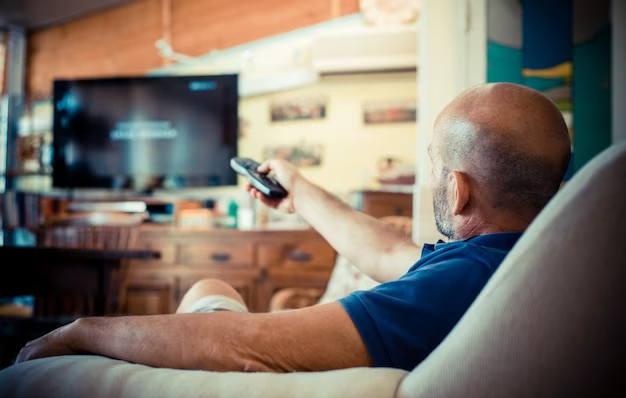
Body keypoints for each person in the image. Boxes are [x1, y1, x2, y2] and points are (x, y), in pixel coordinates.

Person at [15, 82, 571, 373]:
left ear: (456, 189)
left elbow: (248, 347)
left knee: (212, 293)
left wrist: (85, 332)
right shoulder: (520, 264)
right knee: (214, 290)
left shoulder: (454, 288)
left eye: (432, 165)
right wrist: (299, 191)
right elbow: (388, 249)